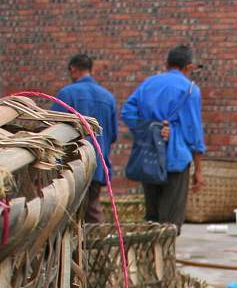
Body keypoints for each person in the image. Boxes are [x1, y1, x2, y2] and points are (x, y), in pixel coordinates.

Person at [121, 44, 206, 232]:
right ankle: (165, 257)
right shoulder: (190, 90)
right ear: (189, 67)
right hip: (176, 158)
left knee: (152, 216)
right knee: (171, 221)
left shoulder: (149, 84)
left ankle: (151, 258)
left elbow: (127, 111)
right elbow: (194, 132)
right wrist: (198, 169)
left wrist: (150, 129)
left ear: (166, 64)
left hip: (149, 155)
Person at [54, 53, 118, 223]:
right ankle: (98, 246)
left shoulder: (67, 94)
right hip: (97, 164)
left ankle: (75, 248)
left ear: (73, 69)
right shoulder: (108, 97)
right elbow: (112, 136)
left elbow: (53, 133)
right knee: (92, 211)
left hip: (71, 166)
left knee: (67, 215)